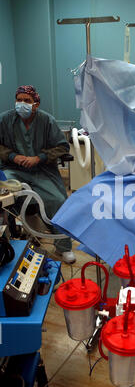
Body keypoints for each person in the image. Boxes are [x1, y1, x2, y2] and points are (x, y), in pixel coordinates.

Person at [0, 85, 76, 263]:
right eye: (19, 99)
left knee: (57, 200)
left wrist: (39, 158)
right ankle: (16, 238)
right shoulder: (5, 120)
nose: (22, 104)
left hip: (42, 171)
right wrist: (13, 156)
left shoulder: (46, 121)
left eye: (27, 100)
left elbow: (62, 146)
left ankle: (63, 247)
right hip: (14, 170)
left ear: (36, 104)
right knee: (9, 197)